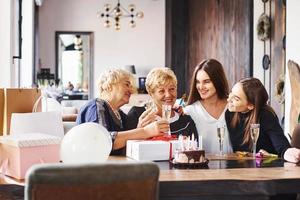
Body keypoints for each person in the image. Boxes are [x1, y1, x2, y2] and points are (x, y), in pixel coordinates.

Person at [76, 69, 169, 155]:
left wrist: (140, 128)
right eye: (127, 84)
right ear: (109, 86)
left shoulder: (119, 114)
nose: (131, 90)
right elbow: (102, 141)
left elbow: (126, 143)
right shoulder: (96, 106)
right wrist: (145, 131)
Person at [226, 77, 300, 163]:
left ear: (250, 105)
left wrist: (288, 152)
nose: (229, 99)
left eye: (236, 98)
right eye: (231, 93)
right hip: (242, 167)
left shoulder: (266, 115)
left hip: (267, 167)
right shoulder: (230, 114)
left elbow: (282, 146)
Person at [126, 67, 198, 141]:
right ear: (151, 93)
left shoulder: (186, 121)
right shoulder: (137, 115)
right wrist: (140, 131)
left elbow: (195, 150)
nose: (168, 95)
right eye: (161, 91)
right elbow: (124, 150)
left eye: (172, 89)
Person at [184, 59, 232, 154]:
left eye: (206, 82)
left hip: (232, 166)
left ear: (218, 81)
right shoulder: (190, 111)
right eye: (198, 82)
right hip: (203, 167)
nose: (201, 87)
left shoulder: (232, 106)